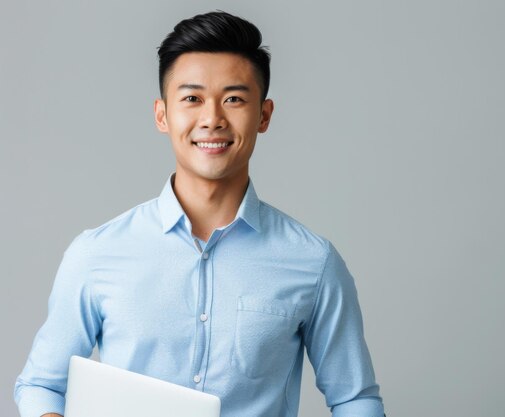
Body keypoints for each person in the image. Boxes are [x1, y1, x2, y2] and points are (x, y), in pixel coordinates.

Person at [14, 11, 384, 417]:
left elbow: (355, 399)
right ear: (162, 114)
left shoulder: (313, 262)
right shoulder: (95, 254)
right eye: (192, 98)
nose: (212, 119)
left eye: (234, 99)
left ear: (263, 115)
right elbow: (41, 385)